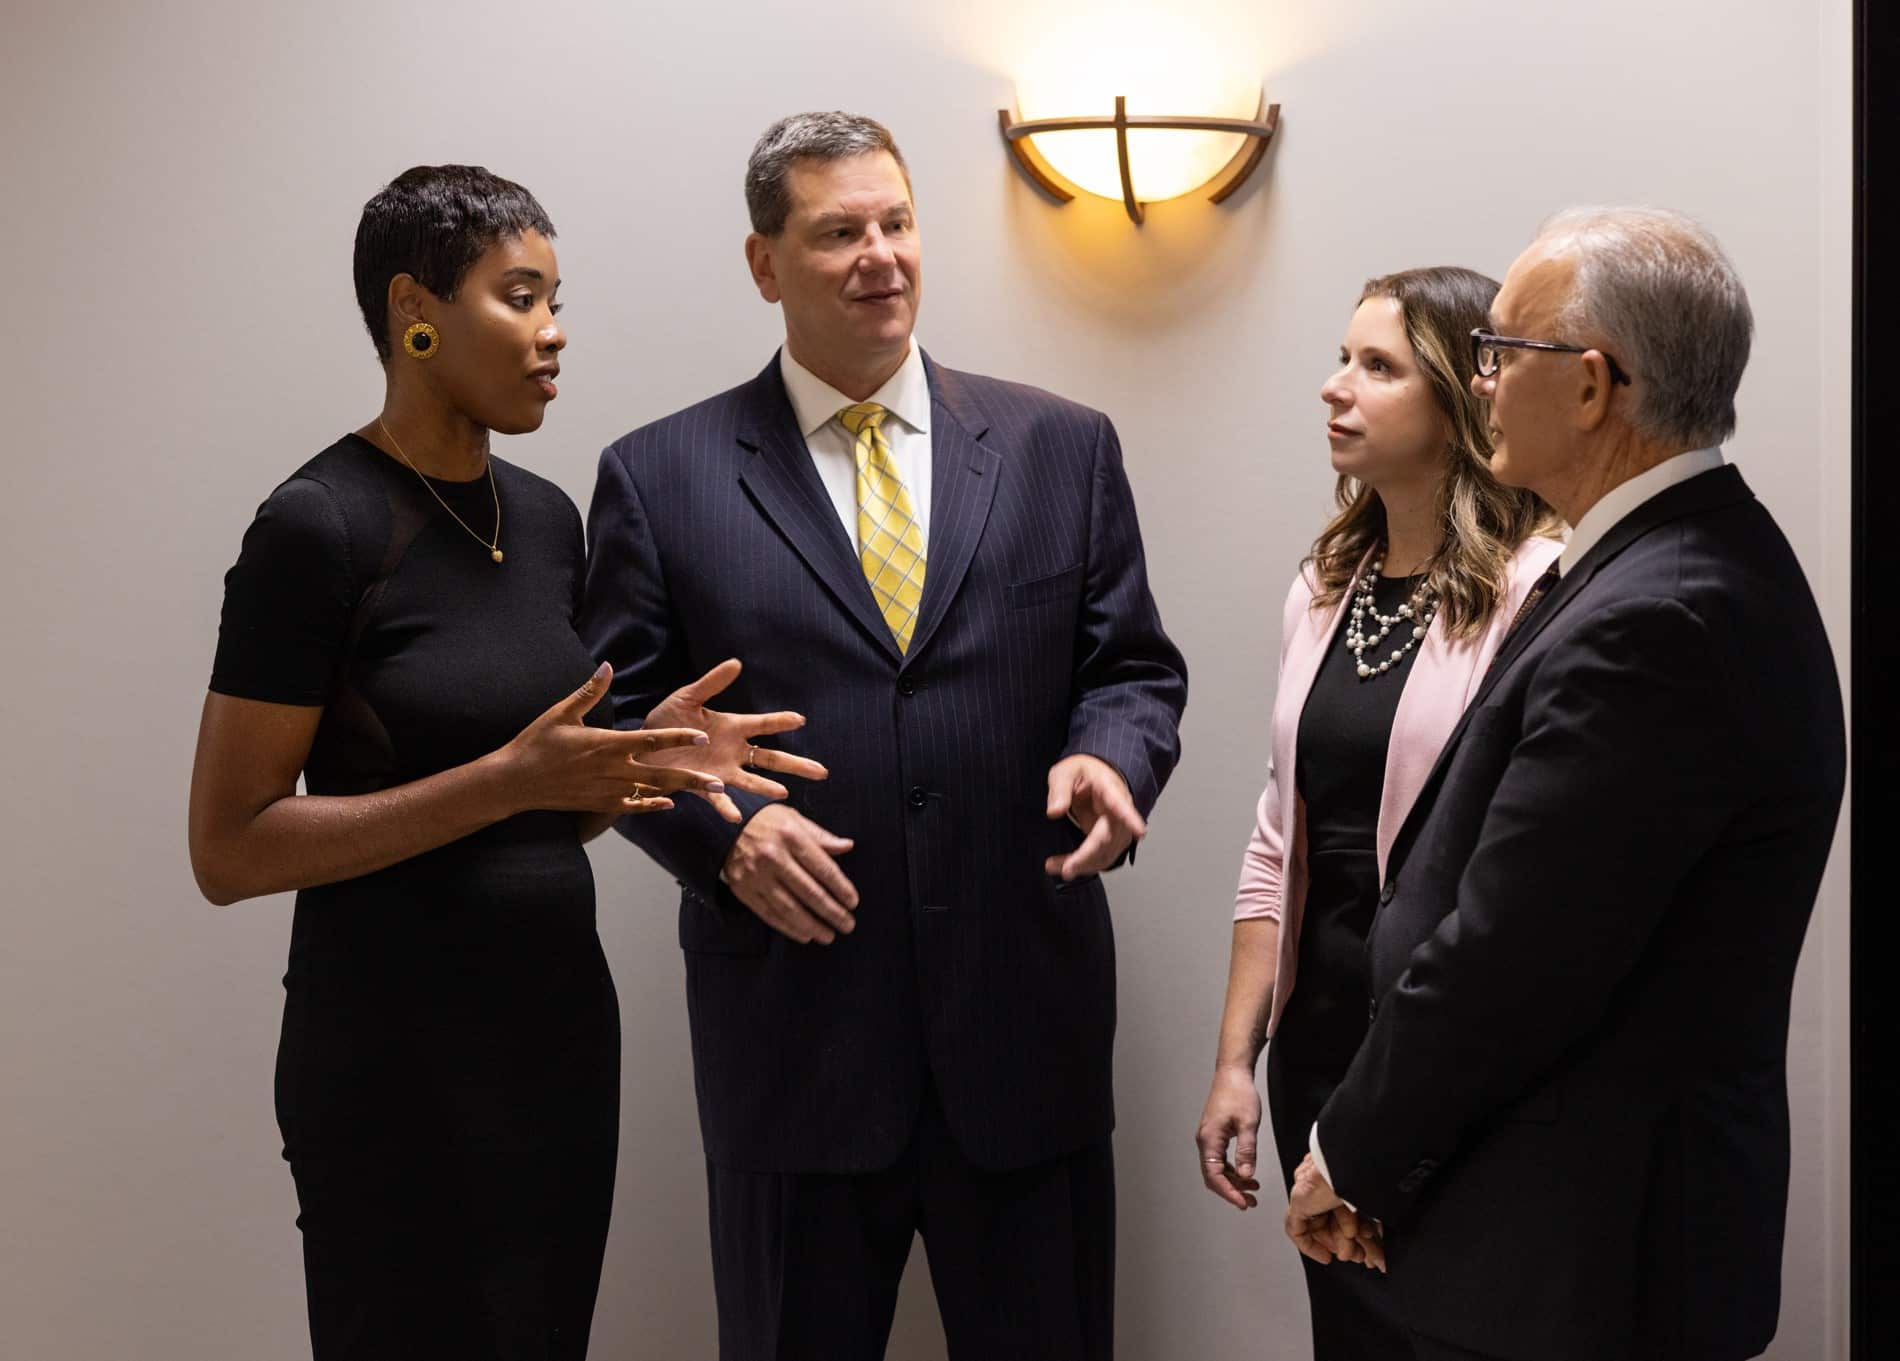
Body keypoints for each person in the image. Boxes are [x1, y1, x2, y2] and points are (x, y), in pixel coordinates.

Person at [578, 112, 1187, 1361]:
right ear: (765, 264)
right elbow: (619, 725)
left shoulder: (1059, 446)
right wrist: (726, 835)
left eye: (897, 223)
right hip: (795, 1050)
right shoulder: (658, 474)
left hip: (1025, 1038)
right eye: (838, 232)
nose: (880, 256)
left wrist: (1110, 758)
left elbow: (1129, 669)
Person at [187, 164, 822, 1359]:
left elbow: (538, 801)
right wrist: (512, 777)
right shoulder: (316, 524)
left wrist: (639, 763)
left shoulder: (543, 519)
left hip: (555, 1040)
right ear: (414, 311)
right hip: (390, 1059)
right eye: (519, 296)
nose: (554, 330)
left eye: (555, 297)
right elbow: (229, 846)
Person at [1286, 208, 1846, 1361]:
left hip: (1577, 1247)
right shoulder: (1656, 561)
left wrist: (1350, 1149)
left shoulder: (1661, 611)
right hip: (1552, 1226)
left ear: (1590, 386)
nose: (1480, 382)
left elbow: (1514, 954)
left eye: (1501, 352)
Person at [1193, 267, 1561, 1359]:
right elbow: (1279, 836)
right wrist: (1231, 1063)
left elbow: (1508, 872)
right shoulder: (1327, 580)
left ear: (1457, 399)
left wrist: (1399, 1106)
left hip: (1442, 1058)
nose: (1332, 388)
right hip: (1318, 1049)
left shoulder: (1534, 586)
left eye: (1376, 366)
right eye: (1341, 358)